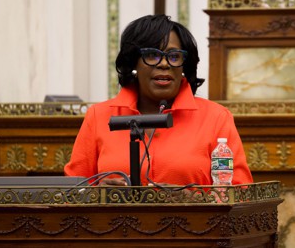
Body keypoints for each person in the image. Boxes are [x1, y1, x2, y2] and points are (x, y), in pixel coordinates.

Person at [65, 14, 253, 186]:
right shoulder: (99, 116)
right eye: (152, 55)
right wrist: (97, 194)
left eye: (174, 56)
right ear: (133, 63)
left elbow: (240, 193)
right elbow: (72, 192)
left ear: (184, 66)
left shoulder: (216, 118)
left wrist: (194, 201)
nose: (164, 64)